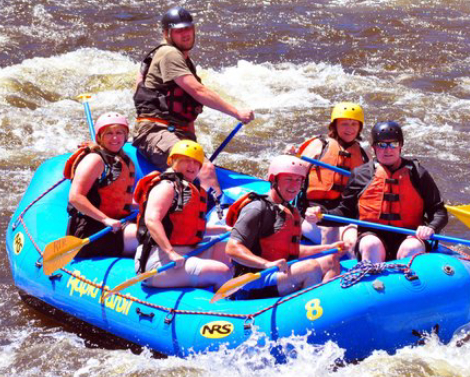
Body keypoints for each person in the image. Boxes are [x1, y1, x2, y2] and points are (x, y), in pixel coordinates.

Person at [133, 6, 254, 194]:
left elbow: (185, 110)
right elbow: (197, 91)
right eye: (179, 30)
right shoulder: (169, 53)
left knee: (199, 165)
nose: (185, 34)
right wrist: (236, 112)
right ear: (166, 33)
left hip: (173, 131)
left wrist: (193, 143)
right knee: (204, 169)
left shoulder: (184, 61)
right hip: (156, 131)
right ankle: (216, 216)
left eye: (188, 28)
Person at [305, 121, 448, 263]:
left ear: (401, 146)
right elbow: (345, 212)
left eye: (393, 144)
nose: (388, 150)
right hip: (372, 235)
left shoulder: (417, 174)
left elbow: (438, 211)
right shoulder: (361, 175)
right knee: (370, 245)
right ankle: (374, 279)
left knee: (411, 247)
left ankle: (409, 281)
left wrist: (431, 228)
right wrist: (321, 215)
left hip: (409, 234)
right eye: (382, 145)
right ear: (374, 148)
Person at [225, 155, 351, 299]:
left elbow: (290, 249)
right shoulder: (257, 208)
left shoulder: (289, 209)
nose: (294, 186)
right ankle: (307, 311)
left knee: (330, 260)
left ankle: (324, 307)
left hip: (277, 273)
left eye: (298, 180)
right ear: (273, 180)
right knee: (310, 268)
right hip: (252, 280)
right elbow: (232, 247)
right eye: (289, 180)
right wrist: (265, 264)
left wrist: (327, 248)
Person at [134, 140, 231, 289]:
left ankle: (234, 292)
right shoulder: (166, 186)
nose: (191, 166)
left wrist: (224, 230)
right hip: (158, 261)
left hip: (187, 251)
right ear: (172, 160)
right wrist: (170, 252)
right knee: (221, 271)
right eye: (185, 160)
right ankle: (225, 308)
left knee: (227, 252)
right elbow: (152, 220)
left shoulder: (189, 187)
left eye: (195, 162)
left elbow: (188, 226)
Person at [290, 102, 369, 245]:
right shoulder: (320, 145)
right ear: (335, 126)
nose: (349, 129)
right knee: (330, 230)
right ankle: (329, 262)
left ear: (359, 127)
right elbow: (294, 174)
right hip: (314, 209)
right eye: (344, 124)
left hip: (345, 212)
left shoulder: (364, 153)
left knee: (352, 239)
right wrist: (289, 158)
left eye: (354, 124)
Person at [65, 112, 138, 258]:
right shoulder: (95, 160)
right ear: (100, 137)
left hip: (116, 225)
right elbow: (75, 197)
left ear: (125, 136)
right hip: (91, 231)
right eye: (109, 133)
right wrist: (105, 219)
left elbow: (119, 198)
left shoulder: (124, 160)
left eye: (119, 133)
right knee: (147, 235)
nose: (115, 138)